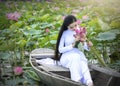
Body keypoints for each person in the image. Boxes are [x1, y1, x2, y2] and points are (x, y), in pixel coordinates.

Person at [54, 15, 94, 86]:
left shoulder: (80, 31)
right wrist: (72, 45)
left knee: (82, 62)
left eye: (75, 25)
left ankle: (89, 82)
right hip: (66, 57)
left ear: (77, 23)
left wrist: (87, 45)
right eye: (71, 27)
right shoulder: (64, 33)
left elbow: (84, 46)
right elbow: (60, 50)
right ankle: (77, 81)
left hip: (78, 55)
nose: (74, 28)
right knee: (76, 57)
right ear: (67, 26)